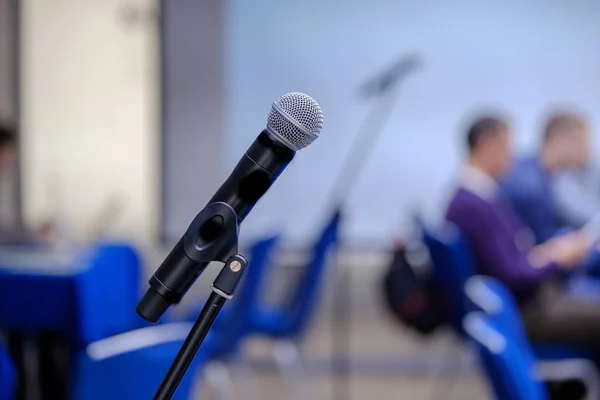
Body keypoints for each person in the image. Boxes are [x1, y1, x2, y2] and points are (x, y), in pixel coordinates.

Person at [445, 115, 600, 348]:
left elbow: (510, 258)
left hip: (522, 303)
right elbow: (513, 273)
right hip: (526, 309)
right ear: (487, 145)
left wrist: (546, 252)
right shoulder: (475, 205)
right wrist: (557, 259)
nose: (513, 157)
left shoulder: (475, 196)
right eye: (508, 147)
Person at [502, 112, 592, 244]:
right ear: (561, 141)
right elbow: (546, 248)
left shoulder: (527, 168)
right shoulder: (531, 189)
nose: (587, 153)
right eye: (583, 144)